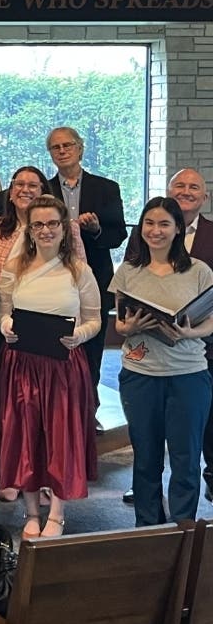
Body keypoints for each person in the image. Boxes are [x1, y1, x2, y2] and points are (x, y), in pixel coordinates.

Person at [0, 196, 101, 539]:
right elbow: (1, 311)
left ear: (63, 228)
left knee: (60, 438)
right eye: (38, 224)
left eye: (52, 223)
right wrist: (6, 325)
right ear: (30, 229)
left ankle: (56, 512)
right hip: (21, 364)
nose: (45, 230)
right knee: (24, 436)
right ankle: (31, 512)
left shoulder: (79, 271)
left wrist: (78, 335)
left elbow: (95, 319)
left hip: (63, 366)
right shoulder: (15, 268)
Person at [0, 166, 87, 503]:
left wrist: (76, 328)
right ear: (10, 191)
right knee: (13, 409)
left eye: (33, 185)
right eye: (19, 184)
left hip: (54, 332)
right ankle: (15, 474)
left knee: (48, 414)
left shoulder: (65, 228)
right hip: (3, 325)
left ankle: (44, 478)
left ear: (43, 190)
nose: (25, 189)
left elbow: (79, 274)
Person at [112, 197, 213, 527]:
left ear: (177, 229)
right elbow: (120, 325)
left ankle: (182, 532)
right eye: (149, 223)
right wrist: (132, 326)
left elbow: (212, 321)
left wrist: (188, 331)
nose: (155, 231)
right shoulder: (128, 271)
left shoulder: (199, 271)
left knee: (185, 459)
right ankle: (148, 530)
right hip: (140, 374)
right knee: (146, 459)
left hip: (188, 375)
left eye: (164, 224)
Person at [46, 126, 127, 428]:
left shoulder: (106, 188)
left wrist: (94, 231)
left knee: (91, 346)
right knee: (59, 346)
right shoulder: (44, 190)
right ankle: (56, 413)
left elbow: (118, 234)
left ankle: (88, 412)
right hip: (53, 281)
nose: (63, 151)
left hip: (95, 277)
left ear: (80, 149)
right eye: (56, 147)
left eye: (68, 145)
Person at [167, 170, 213, 500]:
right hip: (156, 341)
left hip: (206, 341)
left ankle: (211, 475)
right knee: (157, 415)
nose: (186, 192)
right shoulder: (150, 230)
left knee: (208, 414)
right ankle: (150, 477)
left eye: (194, 187)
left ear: (204, 197)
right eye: (180, 186)